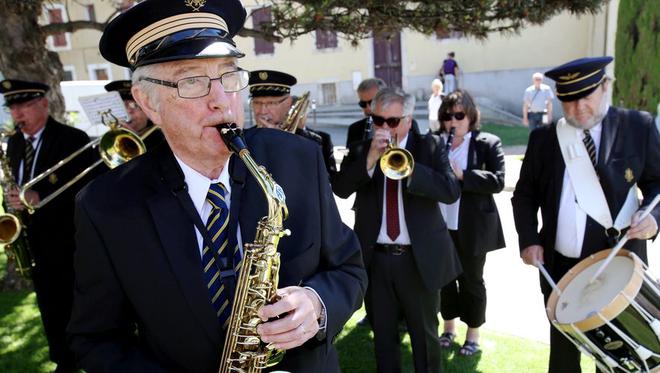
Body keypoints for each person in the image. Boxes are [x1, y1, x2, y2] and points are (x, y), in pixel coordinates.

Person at [66, 1, 367, 372]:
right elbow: (95, 340)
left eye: (229, 76)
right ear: (148, 101)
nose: (221, 101)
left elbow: (349, 269)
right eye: (192, 81)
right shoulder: (106, 205)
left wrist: (318, 304)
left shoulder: (298, 159)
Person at [511, 56, 660, 373]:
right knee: (564, 357)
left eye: (585, 96)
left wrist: (654, 218)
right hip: (561, 267)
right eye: (568, 100)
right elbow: (524, 195)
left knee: (620, 358)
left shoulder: (639, 127)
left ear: (605, 87)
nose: (578, 108)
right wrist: (529, 239)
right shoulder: (544, 139)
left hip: (619, 263)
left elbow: (659, 184)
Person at [333, 88, 462, 372]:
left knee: (425, 337)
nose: (384, 127)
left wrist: (412, 170)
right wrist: (368, 159)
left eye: (392, 121)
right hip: (376, 259)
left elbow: (451, 191)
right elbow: (340, 188)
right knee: (384, 338)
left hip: (418, 260)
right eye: (378, 120)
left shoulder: (430, 146)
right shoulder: (360, 148)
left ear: (407, 120)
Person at [1, 78, 92, 373]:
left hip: (69, 242)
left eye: (24, 105)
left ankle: (89, 359)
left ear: (43, 103)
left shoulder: (72, 139)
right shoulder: (14, 143)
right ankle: (62, 360)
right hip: (35, 243)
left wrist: (41, 198)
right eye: (12, 107)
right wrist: (13, 207)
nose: (17, 114)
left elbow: (87, 193)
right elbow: (16, 185)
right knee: (49, 308)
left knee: (78, 309)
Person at [436, 89, 506, 356]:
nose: (452, 121)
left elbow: (498, 180)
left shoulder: (488, 143)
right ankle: (449, 328)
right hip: (440, 225)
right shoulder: (435, 141)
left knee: (472, 281)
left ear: (471, 116)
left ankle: (473, 334)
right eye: (447, 116)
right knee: (445, 280)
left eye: (459, 115)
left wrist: (463, 174)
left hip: (473, 227)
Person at [249, 69, 336, 177]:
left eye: (271, 103)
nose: (262, 111)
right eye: (257, 103)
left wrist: (284, 140)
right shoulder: (242, 140)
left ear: (288, 103)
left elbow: (323, 183)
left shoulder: (319, 141)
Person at [104, 79, 165, 150]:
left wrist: (132, 140)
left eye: (134, 105)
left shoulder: (163, 139)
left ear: (148, 111)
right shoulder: (107, 143)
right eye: (121, 106)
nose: (128, 111)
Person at [345, 78, 387, 147]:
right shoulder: (354, 129)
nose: (368, 108)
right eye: (363, 103)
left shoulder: (403, 125)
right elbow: (350, 157)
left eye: (372, 102)